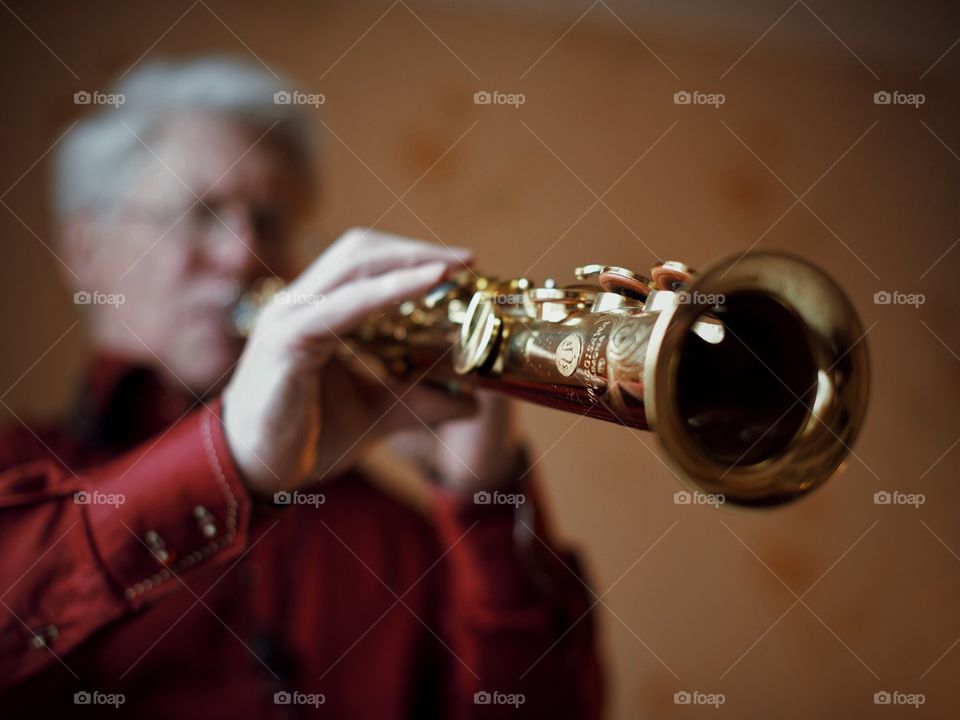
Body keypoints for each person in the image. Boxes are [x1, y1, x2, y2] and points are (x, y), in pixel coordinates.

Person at [0, 58, 601, 718]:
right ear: (86, 252)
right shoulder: (17, 471)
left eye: (271, 222)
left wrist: (479, 497)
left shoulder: (392, 531)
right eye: (199, 214)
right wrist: (227, 459)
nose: (242, 254)